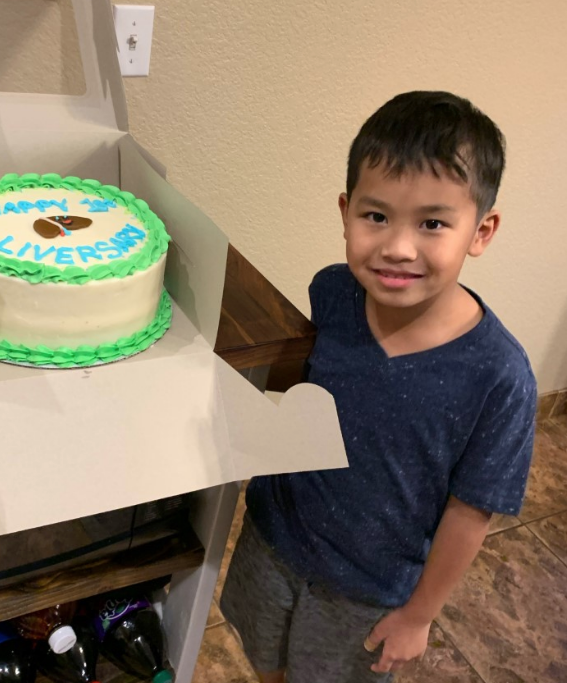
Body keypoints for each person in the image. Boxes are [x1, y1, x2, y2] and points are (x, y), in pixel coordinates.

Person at [220, 91, 537, 683]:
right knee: (266, 660)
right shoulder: (333, 293)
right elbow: (297, 392)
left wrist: (420, 615)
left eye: (433, 223)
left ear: (481, 230)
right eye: (376, 216)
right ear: (345, 211)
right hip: (275, 541)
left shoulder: (500, 377)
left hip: (367, 591)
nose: (397, 247)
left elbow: (472, 514)